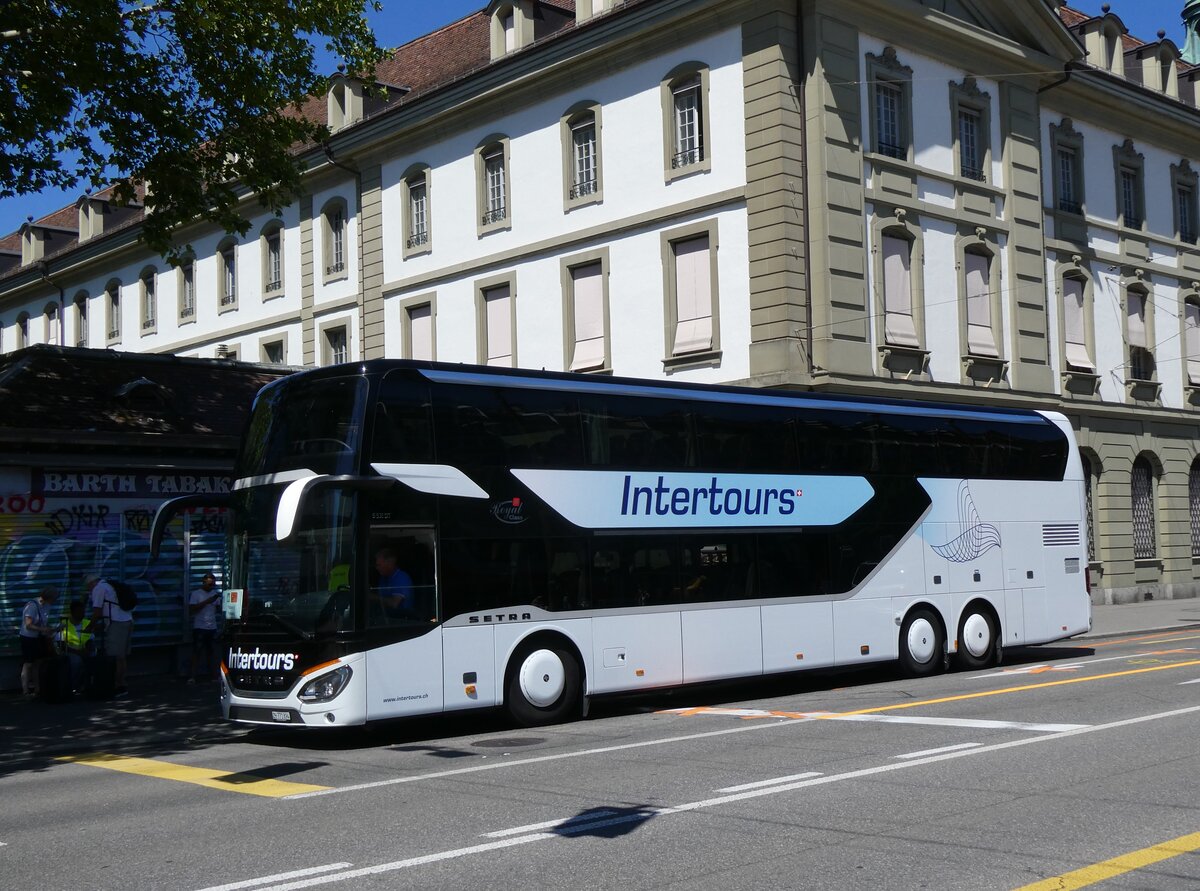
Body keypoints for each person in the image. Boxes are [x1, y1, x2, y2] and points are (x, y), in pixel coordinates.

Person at [88, 575, 132, 698]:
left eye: (88, 588)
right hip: (127, 621)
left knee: (114, 657)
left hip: (117, 624)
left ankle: (117, 686)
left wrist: (90, 626)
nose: (89, 591)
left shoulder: (99, 588)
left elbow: (97, 611)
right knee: (121, 657)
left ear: (91, 583)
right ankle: (122, 684)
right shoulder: (110, 585)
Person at [19, 586, 58, 697]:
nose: (54, 602)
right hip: (28, 637)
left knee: (37, 663)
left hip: (38, 637)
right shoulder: (31, 606)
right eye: (53, 599)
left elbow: (43, 622)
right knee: (28, 664)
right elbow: (28, 625)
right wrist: (43, 629)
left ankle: (38, 689)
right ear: (48, 597)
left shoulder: (46, 606)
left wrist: (49, 630)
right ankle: (25, 690)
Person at [55, 600, 96, 694]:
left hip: (85, 649)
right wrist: (78, 652)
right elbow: (61, 645)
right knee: (76, 661)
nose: (83, 614)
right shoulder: (64, 624)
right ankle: (72, 686)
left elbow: (91, 639)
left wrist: (87, 649)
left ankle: (88, 685)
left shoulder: (87, 623)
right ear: (73, 612)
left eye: (83, 612)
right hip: (70, 651)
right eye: (80, 612)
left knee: (92, 658)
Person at [188, 573, 221, 683]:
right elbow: (192, 609)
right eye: (209, 584)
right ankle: (192, 676)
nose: (211, 586)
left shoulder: (215, 595)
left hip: (212, 627)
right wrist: (207, 601)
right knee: (197, 651)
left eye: (213, 584)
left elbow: (218, 609)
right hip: (200, 627)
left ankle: (213, 676)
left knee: (211, 652)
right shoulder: (196, 594)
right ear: (204, 582)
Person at [371, 546, 414, 618]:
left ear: (390, 563)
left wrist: (372, 597)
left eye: (379, 565)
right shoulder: (383, 578)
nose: (377, 568)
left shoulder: (401, 578)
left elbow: (394, 604)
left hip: (402, 619)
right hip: (385, 618)